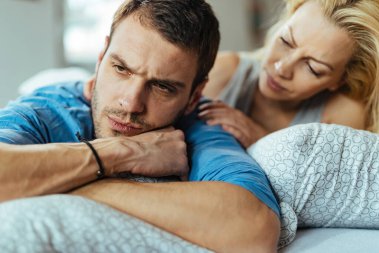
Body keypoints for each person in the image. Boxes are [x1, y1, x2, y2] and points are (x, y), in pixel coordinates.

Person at [0, 0, 281, 252]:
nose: (130, 103)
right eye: (121, 69)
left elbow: (253, 230)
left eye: (162, 87)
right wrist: (123, 152)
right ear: (100, 61)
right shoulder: (50, 108)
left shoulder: (200, 126)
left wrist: (64, 181)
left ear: (193, 96)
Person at [200, 0, 379, 148]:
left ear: (340, 80)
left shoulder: (341, 115)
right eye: (285, 41)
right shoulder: (222, 71)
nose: (282, 68)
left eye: (312, 68)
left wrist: (260, 139)